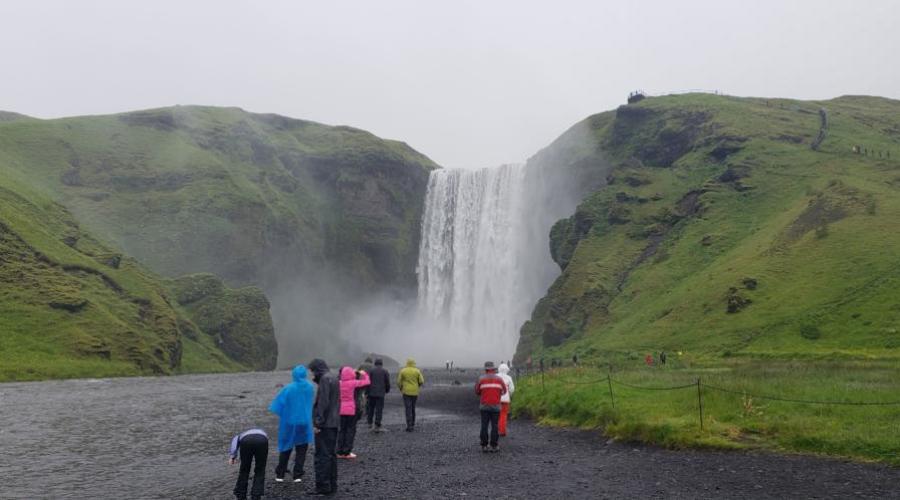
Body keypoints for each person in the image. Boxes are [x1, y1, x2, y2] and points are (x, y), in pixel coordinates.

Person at [269, 365, 314, 483]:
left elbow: (278, 405)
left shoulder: (288, 388)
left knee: (285, 447)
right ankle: (297, 475)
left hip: (289, 422)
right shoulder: (310, 387)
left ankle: (280, 475)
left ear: (293, 375)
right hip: (304, 422)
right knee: (302, 449)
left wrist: (286, 414)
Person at [308, 358, 340, 496]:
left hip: (325, 424)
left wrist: (317, 423)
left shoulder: (325, 380)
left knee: (322, 456)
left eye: (313, 371)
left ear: (317, 369)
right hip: (333, 423)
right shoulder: (333, 377)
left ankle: (322, 487)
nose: (312, 374)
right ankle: (332, 484)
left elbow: (323, 403)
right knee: (331, 455)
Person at [337, 366, 370, 459]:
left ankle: (339, 451)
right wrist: (364, 374)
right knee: (350, 430)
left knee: (342, 430)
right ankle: (347, 452)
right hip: (351, 409)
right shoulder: (353, 383)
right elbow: (367, 382)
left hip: (341, 410)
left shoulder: (339, 383)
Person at [475, 361, 507, 452]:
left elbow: (477, 391)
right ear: (493, 369)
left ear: (486, 369)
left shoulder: (481, 379)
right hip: (496, 406)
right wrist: (497, 394)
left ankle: (484, 446)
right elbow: (504, 391)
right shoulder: (499, 379)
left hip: (484, 406)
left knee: (484, 425)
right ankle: (494, 445)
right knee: (495, 426)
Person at [229, 428, 268, 500]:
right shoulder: (262, 432)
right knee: (260, 469)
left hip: (246, 441)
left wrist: (232, 456)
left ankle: (241, 494)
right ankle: (256, 495)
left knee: (244, 469)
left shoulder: (241, 434)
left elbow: (234, 441)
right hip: (262, 440)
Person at [398, 358, 425, 432]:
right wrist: (418, 386)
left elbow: (399, 382)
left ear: (407, 363)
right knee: (413, 408)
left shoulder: (403, 371)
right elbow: (422, 381)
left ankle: (409, 426)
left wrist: (401, 388)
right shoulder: (417, 371)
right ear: (414, 363)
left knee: (408, 408)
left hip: (406, 392)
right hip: (415, 392)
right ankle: (412, 424)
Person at [366, 358, 391, 431]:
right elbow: (387, 382)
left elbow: (368, 382)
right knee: (379, 409)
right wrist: (387, 390)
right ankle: (377, 423)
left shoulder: (371, 371)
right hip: (380, 393)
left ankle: (369, 422)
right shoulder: (385, 371)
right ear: (381, 363)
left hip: (371, 393)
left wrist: (367, 392)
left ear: (375, 363)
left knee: (371, 408)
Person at [497, 363, 515, 437]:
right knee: (504, 415)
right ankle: (503, 431)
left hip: (496, 399)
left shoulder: (496, 377)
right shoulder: (509, 378)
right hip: (506, 399)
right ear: (507, 370)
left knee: (497, 415)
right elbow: (512, 389)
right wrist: (509, 395)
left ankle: (497, 429)